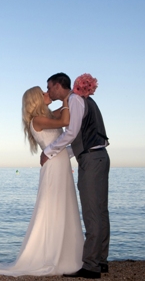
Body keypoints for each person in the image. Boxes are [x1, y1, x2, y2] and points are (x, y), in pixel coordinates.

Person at [0, 86, 84, 276]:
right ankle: (50, 255)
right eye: (44, 93)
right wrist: (66, 98)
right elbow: (66, 119)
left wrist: (71, 96)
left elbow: (68, 116)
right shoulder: (38, 120)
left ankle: (67, 254)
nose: (48, 94)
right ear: (36, 100)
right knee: (53, 208)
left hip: (61, 165)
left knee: (64, 206)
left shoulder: (47, 116)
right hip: (54, 167)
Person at [41, 72, 110, 279]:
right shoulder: (79, 100)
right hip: (96, 156)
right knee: (100, 212)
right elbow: (79, 137)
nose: (48, 91)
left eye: (49, 87)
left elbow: (71, 133)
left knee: (92, 213)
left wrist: (49, 151)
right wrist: (65, 154)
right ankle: (100, 261)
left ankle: (91, 266)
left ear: (57, 86)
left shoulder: (75, 100)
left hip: (92, 160)